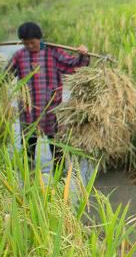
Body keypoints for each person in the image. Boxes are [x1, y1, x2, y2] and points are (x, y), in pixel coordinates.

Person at [6, 22, 89, 171]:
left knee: (56, 144)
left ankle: (60, 178)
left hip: (52, 107)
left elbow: (74, 66)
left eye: (32, 42)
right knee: (29, 145)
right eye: (26, 43)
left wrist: (82, 55)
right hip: (28, 109)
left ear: (40, 39)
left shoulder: (53, 53)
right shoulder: (19, 56)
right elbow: (5, 75)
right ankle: (29, 176)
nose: (30, 46)